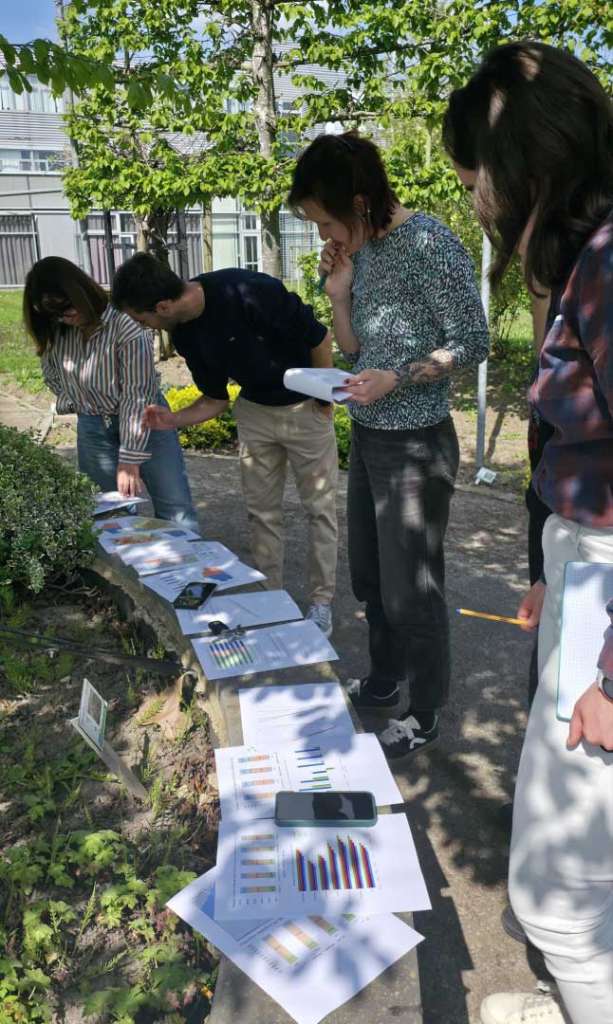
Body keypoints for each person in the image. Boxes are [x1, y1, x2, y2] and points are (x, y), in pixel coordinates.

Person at [443, 40, 613, 1024]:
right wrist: (548, 560)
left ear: (521, 168)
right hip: (582, 571)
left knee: (561, 882)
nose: (476, 205)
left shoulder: (602, 264)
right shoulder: (583, 262)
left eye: (475, 180)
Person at [288, 131, 489, 759]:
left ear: (358, 199)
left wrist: (398, 376)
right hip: (371, 438)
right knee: (371, 580)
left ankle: (425, 711)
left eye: (326, 222)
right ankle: (383, 679)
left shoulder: (427, 242)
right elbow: (353, 353)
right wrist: (340, 293)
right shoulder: (364, 252)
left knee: (414, 590)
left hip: (417, 445)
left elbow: (474, 340)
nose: (325, 237)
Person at [111, 254, 338, 637]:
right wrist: (174, 419)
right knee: (262, 514)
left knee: (320, 510)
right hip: (254, 413)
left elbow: (320, 338)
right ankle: (270, 600)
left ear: (163, 306)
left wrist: (323, 401)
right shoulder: (184, 333)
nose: (145, 328)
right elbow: (216, 399)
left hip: (305, 410)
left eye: (143, 319)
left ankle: (321, 603)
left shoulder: (249, 290)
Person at [23, 256, 198, 532]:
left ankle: (191, 574)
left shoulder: (125, 327)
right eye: (56, 315)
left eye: (67, 309)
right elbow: (53, 376)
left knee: (174, 507)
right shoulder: (58, 331)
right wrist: (77, 402)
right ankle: (122, 574)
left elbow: (135, 396)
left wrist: (130, 458)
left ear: (80, 292)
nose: (66, 318)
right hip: (93, 425)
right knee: (107, 513)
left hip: (145, 420)